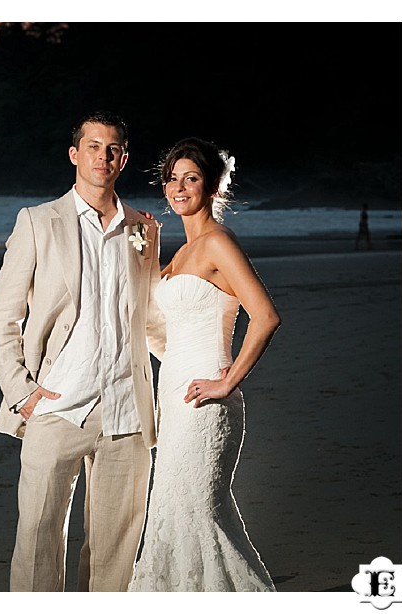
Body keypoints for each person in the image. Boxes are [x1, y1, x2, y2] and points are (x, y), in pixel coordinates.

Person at [0, 110, 165, 591]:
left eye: (112, 149)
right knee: (39, 539)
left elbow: (150, 318)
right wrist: (21, 392)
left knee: (116, 549)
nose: (102, 156)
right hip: (57, 405)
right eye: (93, 146)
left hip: (127, 409)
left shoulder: (143, 229)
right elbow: (1, 316)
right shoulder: (38, 222)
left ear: (123, 159)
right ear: (74, 154)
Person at [128, 137, 279, 591]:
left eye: (190, 178)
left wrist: (227, 381)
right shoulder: (179, 255)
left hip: (206, 399)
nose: (178, 187)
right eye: (172, 178)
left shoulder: (217, 244)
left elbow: (266, 316)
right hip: (172, 395)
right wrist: (144, 253)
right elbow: (161, 332)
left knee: (197, 510)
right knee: (174, 510)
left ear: (212, 187)